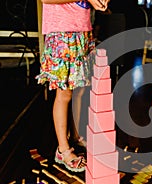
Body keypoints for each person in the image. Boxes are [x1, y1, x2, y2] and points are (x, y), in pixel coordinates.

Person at [36, 0, 110, 172]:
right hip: (62, 33)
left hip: (82, 32)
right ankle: (62, 150)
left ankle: (75, 137)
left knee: (80, 89)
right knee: (65, 94)